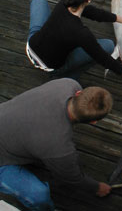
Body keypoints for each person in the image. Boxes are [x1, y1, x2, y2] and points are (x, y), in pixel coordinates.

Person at [0, 78, 113, 210]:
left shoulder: (68, 83)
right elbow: (72, 177)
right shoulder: (60, 148)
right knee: (38, 195)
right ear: (93, 122)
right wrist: (97, 187)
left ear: (78, 93)